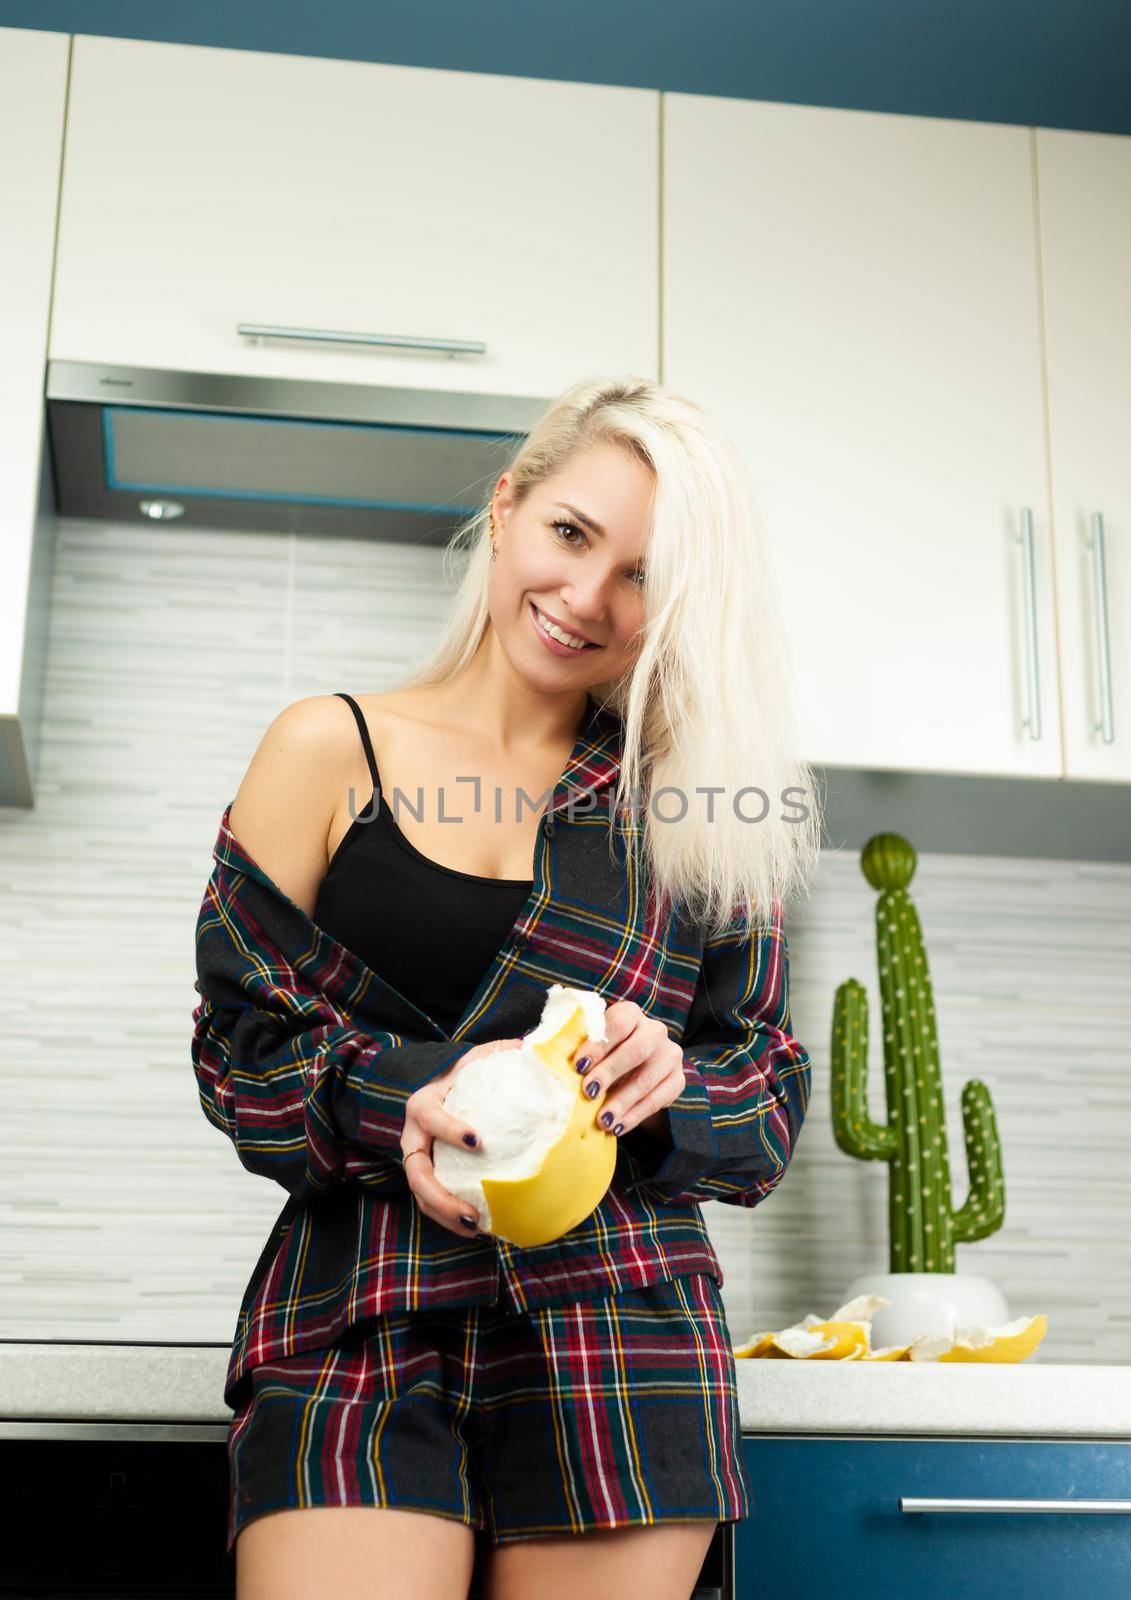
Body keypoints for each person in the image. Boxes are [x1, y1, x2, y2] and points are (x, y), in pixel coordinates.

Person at [205, 374, 823, 1599]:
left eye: (641, 574)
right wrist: (411, 1103)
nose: (586, 598)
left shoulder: (708, 799)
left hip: (627, 1322)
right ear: (506, 508)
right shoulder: (325, 748)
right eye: (571, 534)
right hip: (359, 1303)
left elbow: (762, 1098)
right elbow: (241, 1055)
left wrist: (672, 1091)